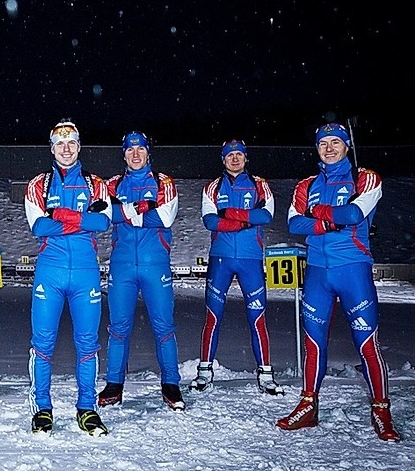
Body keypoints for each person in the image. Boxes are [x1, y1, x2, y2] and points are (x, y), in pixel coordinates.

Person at [277, 122, 400, 441]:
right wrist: (328, 223)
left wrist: (318, 211)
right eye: (323, 143)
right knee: (313, 343)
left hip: (353, 270)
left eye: (335, 142)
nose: (329, 148)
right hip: (317, 272)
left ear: (347, 146)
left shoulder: (365, 178)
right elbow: (294, 223)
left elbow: (355, 215)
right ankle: (308, 405)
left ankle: (381, 410)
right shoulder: (306, 184)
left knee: (367, 343)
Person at [24, 119, 112, 435]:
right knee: (43, 343)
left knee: (88, 344)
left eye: (71, 143)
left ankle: (87, 409)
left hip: (86, 273)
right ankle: (42, 409)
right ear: (52, 148)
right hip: (50, 272)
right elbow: (39, 227)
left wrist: (60, 215)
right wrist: (82, 220)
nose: (66, 149)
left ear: (79, 146)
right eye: (60, 144)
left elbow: (103, 224)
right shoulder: (39, 184)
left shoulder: (95, 183)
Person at [189, 140, 283, 395]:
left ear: (245, 158)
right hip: (220, 259)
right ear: (223, 159)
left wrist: (229, 213)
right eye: (230, 155)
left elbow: (266, 215)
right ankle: (204, 372)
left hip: (251, 260)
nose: (234, 159)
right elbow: (210, 221)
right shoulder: (212, 187)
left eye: (239, 155)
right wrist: (245, 220)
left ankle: (266, 374)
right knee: (212, 316)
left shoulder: (259, 184)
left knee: (258, 318)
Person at [99, 131, 185, 411]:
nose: (135, 154)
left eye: (140, 149)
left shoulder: (163, 182)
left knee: (164, 327)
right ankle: (114, 385)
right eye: (130, 150)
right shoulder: (113, 184)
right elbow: (103, 215)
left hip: (154, 264)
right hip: (122, 265)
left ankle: (171, 385)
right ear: (123, 154)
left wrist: (126, 213)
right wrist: (141, 209)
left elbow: (165, 217)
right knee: (118, 329)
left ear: (148, 152)